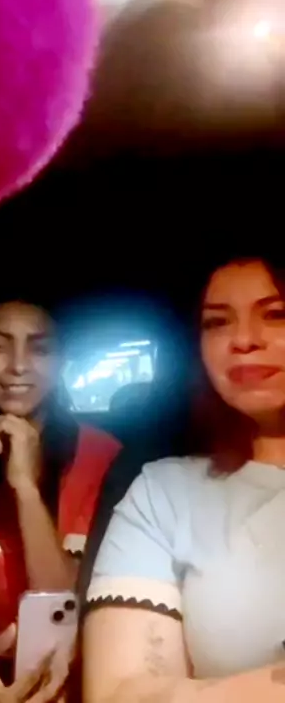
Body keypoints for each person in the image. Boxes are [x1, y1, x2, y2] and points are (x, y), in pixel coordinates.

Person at [83, 255, 285, 703]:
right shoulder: (164, 495)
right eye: (217, 322)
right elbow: (120, 693)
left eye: (275, 314)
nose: (244, 340)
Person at [0, 300, 121, 697]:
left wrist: (25, 487)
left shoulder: (101, 456)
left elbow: (63, 606)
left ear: (61, 362)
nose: (18, 365)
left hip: (63, 679)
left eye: (39, 349)